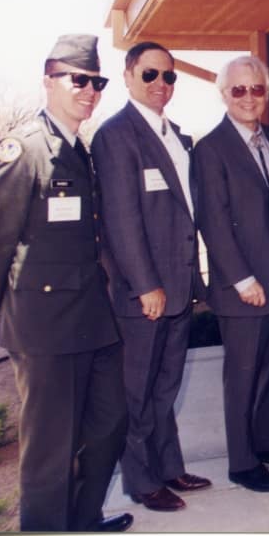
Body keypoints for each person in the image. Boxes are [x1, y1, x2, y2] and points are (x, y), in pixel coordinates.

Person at [0, 34, 131, 531]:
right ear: (49, 81)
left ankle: (83, 520)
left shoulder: (77, 148)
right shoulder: (23, 150)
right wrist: (5, 312)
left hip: (90, 318)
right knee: (50, 448)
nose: (89, 90)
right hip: (44, 327)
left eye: (97, 82)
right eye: (78, 79)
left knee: (109, 423)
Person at [91, 41, 212, 512]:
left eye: (168, 76)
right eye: (150, 75)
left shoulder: (174, 134)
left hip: (178, 287)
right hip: (146, 295)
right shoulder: (117, 135)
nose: (161, 84)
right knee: (138, 392)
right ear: (127, 76)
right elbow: (121, 219)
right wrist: (146, 285)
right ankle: (141, 481)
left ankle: (168, 467)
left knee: (166, 387)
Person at [195, 56, 269, 493]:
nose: (247, 98)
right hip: (244, 287)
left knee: (267, 370)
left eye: (256, 89)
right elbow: (213, 221)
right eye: (238, 90)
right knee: (242, 376)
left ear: (268, 93)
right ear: (224, 95)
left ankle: (264, 444)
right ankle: (241, 463)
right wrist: (243, 280)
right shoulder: (211, 148)